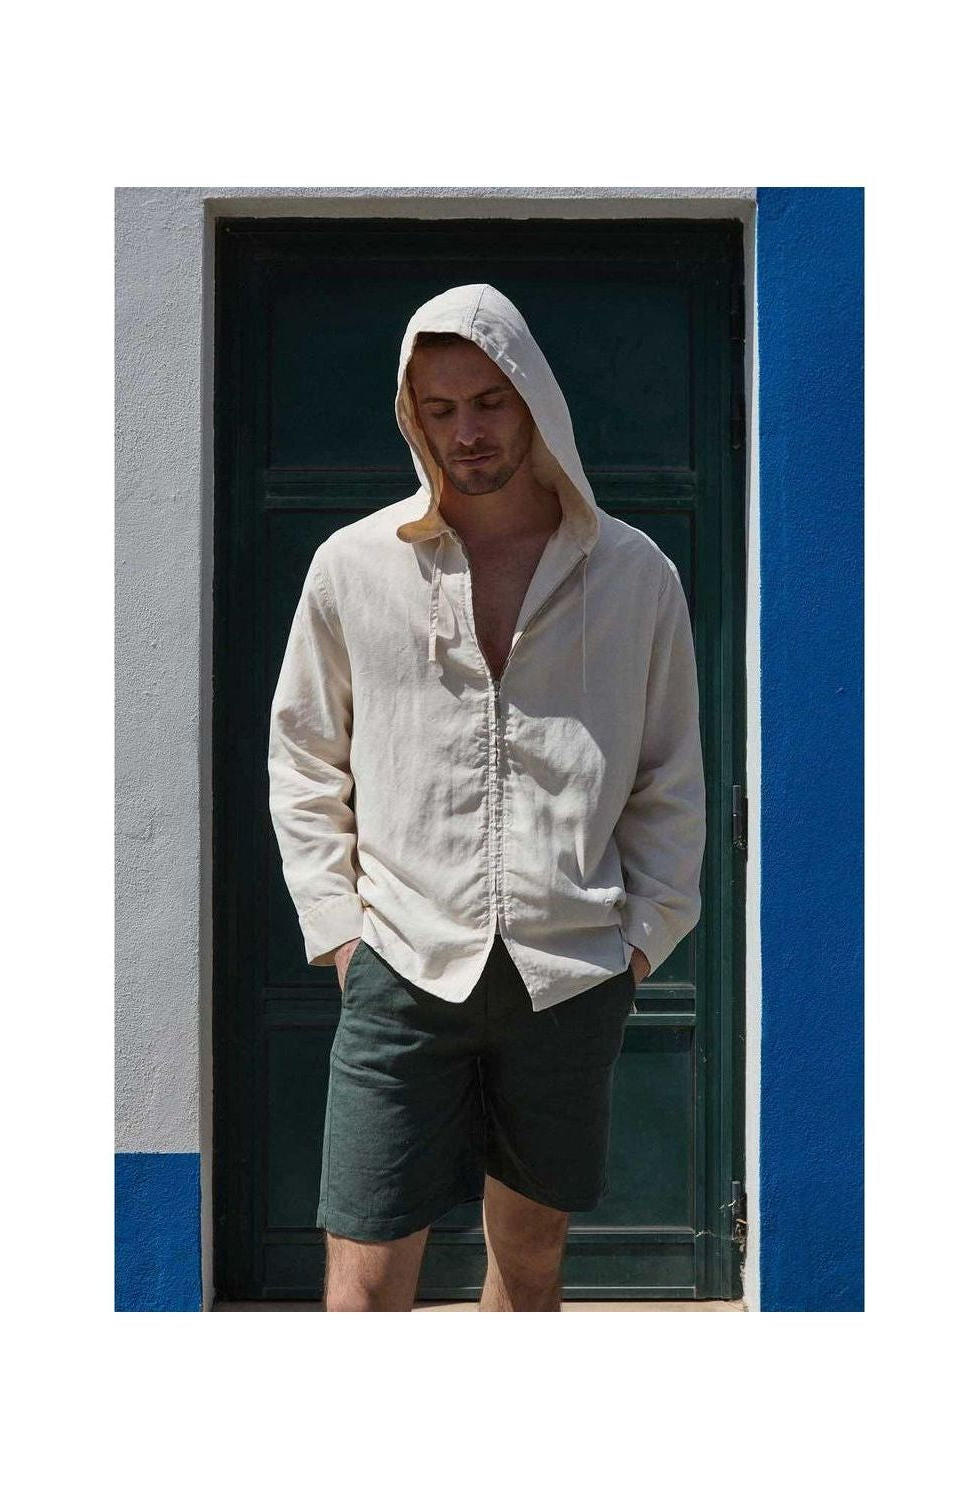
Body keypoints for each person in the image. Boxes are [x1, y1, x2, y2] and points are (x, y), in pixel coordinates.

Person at [268, 283, 706, 1311]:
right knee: (365, 1278)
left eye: (489, 401)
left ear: (534, 400)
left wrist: (641, 937)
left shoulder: (635, 574)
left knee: (534, 1263)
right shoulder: (354, 567)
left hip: (570, 969)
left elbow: (670, 775)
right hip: (401, 963)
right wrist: (340, 931)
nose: (466, 431)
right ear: (411, 417)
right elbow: (303, 758)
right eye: (440, 409)